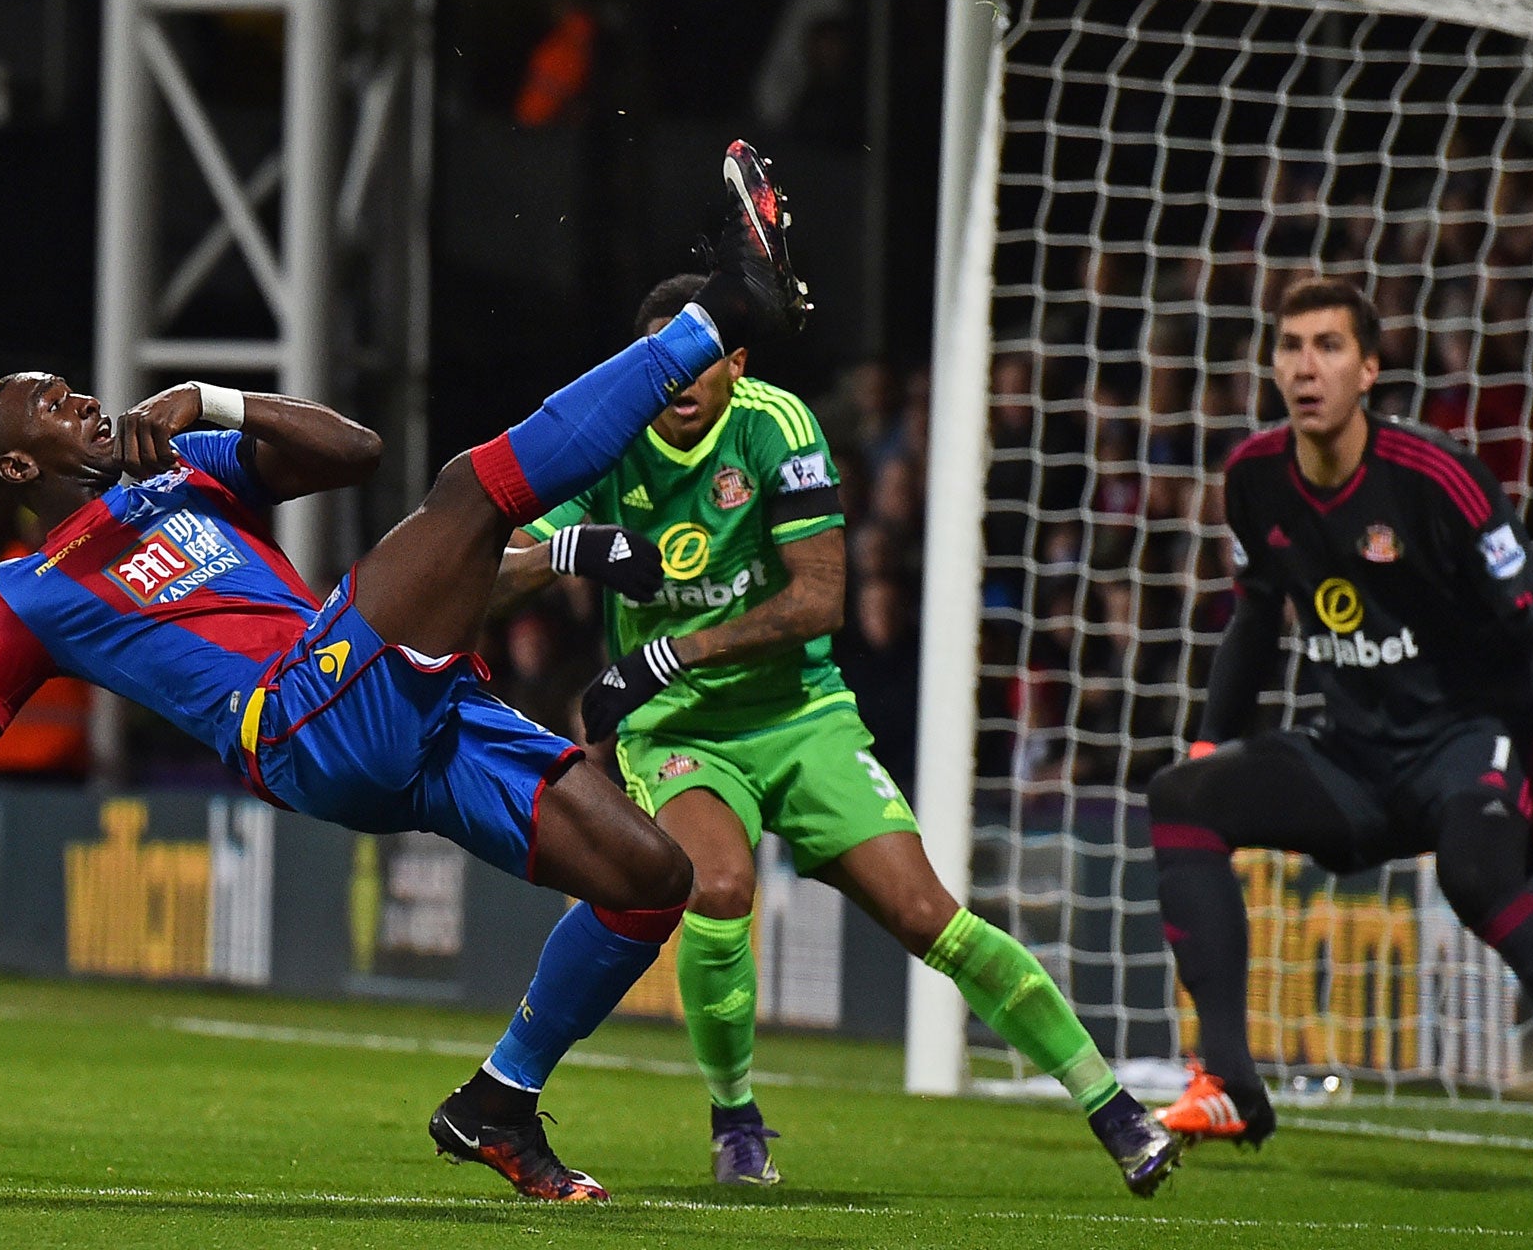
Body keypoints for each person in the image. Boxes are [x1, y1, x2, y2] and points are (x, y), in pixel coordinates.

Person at [0, 140, 811, 1204]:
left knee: (649, 879)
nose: (81, 399)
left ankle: (497, 1103)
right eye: (53, 404)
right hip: (299, 717)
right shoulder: (18, 594)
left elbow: (351, 453)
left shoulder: (186, 470)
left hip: (407, 706)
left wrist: (210, 399)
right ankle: (717, 317)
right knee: (469, 492)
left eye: (72, 385)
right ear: (13, 463)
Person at [484, 273, 1180, 1198]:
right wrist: (566, 551)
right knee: (719, 887)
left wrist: (673, 650)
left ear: (736, 361)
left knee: (929, 915)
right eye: (661, 367)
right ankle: (736, 1122)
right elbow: (479, 574)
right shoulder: (609, 436)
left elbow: (820, 597)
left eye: (697, 364)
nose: (677, 383)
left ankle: (1113, 1107)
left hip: (798, 712)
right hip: (680, 732)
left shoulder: (777, 426)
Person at [1148, 277, 1533, 1177]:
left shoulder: (1435, 477)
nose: (1307, 366)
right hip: (1357, 757)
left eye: (1329, 347)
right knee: (1181, 802)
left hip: (1473, 743)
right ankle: (1225, 1081)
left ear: (1369, 369)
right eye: (1291, 347)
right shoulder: (1253, 477)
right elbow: (1257, 617)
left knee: (1476, 876)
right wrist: (1212, 751)